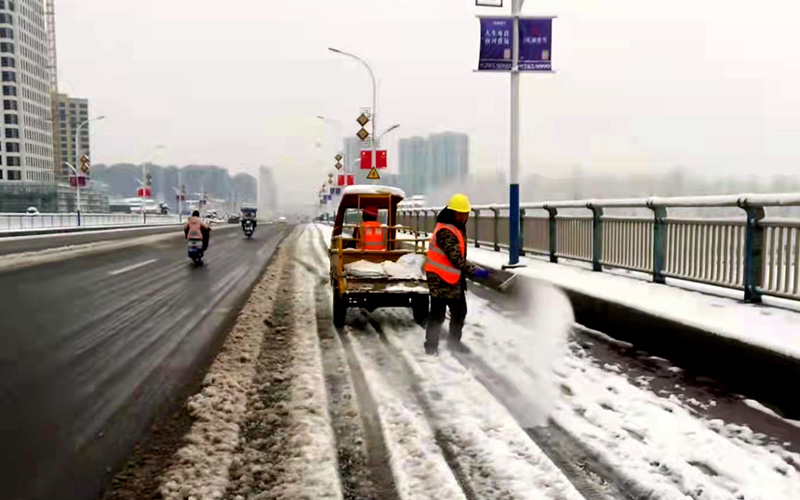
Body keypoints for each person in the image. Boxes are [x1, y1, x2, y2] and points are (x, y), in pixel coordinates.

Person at [424, 194, 489, 355]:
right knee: (438, 314)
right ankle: (431, 346)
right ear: (452, 212)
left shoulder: (455, 226)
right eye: (460, 214)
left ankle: (454, 343)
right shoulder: (446, 231)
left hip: (452, 277)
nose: (463, 217)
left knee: (459, 311)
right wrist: (476, 272)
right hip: (438, 277)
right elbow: (456, 259)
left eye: (466, 214)